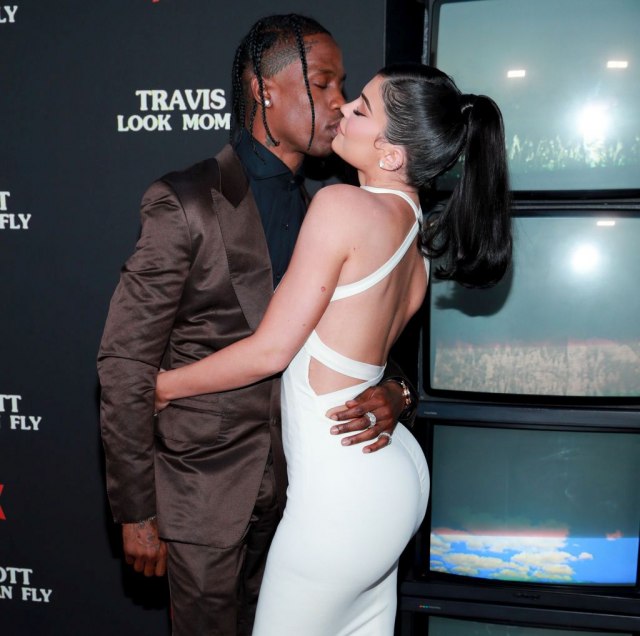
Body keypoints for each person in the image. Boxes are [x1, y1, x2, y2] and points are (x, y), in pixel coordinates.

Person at [154, 63, 513, 634]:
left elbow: (271, 352)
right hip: (390, 476)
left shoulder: (342, 206)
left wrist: (162, 386)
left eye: (362, 109)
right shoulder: (415, 231)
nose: (343, 108)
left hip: (342, 491)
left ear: (391, 155)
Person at [97, 14, 416, 636]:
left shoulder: (330, 210)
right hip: (202, 495)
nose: (338, 102)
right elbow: (126, 362)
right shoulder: (186, 201)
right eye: (322, 84)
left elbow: (358, 335)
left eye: (343, 86)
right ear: (263, 89)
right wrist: (136, 511)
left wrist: (397, 389)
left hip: (303, 496)